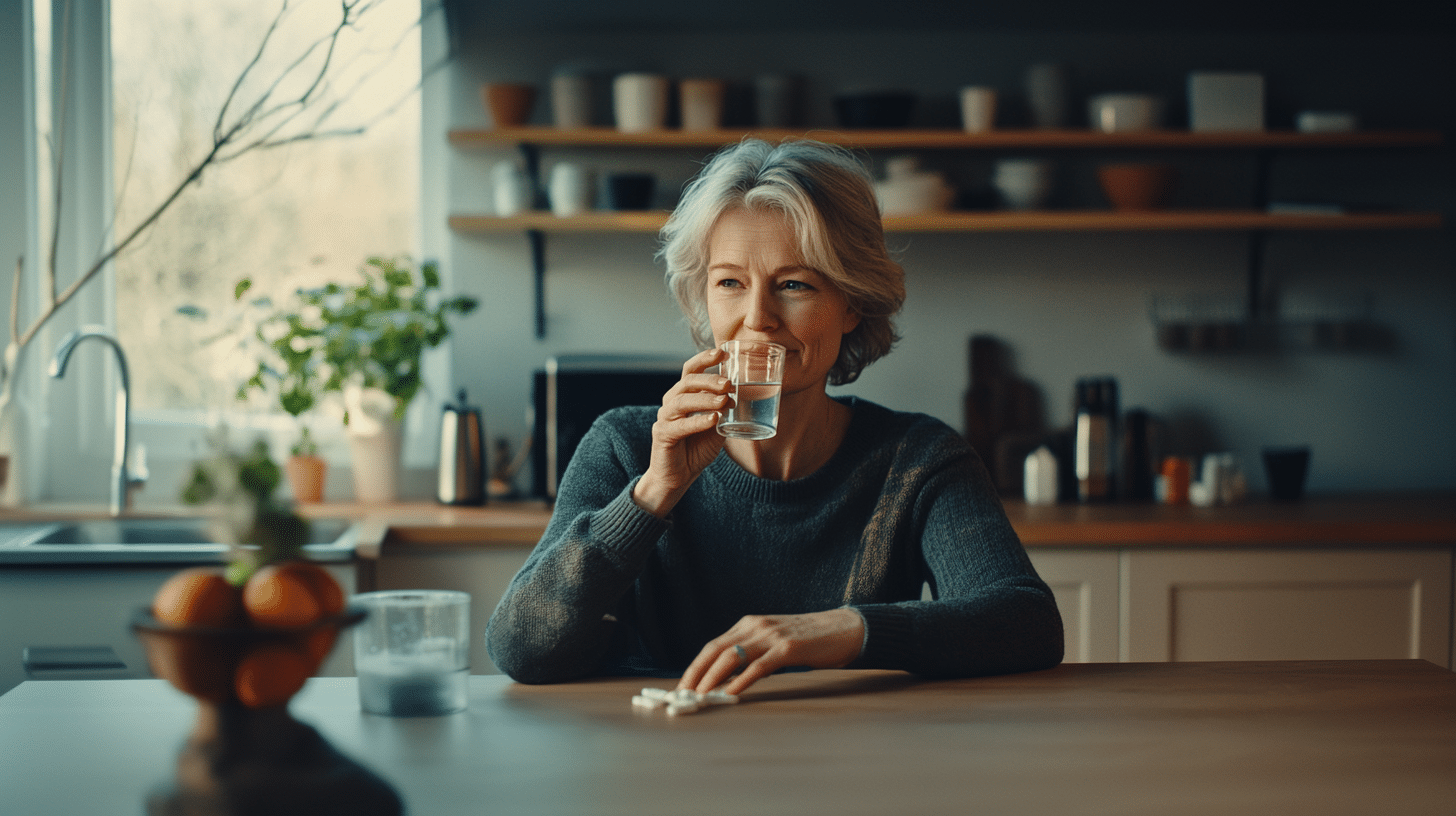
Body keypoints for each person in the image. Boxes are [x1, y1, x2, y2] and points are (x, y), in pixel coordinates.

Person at [486, 138, 1062, 695]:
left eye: (793, 284)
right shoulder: (625, 446)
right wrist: (655, 491)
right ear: (704, 298)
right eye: (730, 283)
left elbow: (1027, 623)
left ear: (852, 304)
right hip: (667, 748)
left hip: (851, 752)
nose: (757, 317)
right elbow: (520, 649)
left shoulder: (917, 459)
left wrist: (845, 629)